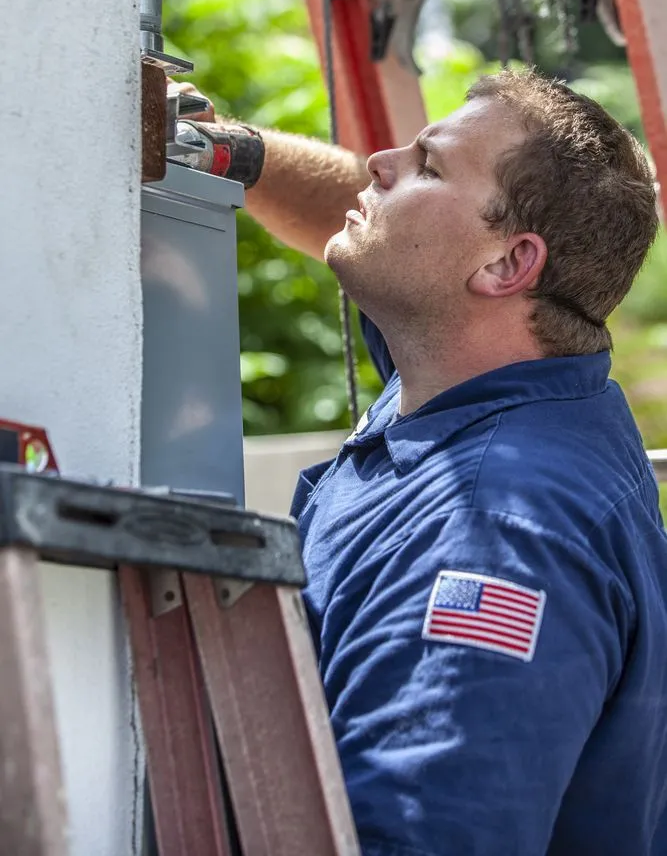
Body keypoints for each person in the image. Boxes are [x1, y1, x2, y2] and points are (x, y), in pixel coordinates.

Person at [177, 68, 667, 855]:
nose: (374, 160)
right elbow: (393, 233)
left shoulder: (494, 533)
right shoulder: (479, 373)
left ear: (507, 267)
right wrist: (222, 150)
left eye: (427, 165)